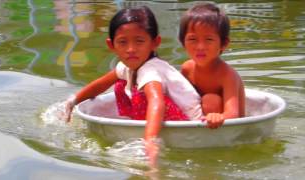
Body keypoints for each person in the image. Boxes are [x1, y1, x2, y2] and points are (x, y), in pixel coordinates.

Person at [62, 6, 202, 167]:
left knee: (140, 94)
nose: (131, 49)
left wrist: (150, 140)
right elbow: (101, 84)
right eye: (122, 42)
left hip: (189, 123)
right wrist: (73, 101)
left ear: (155, 43)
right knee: (121, 84)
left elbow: (157, 102)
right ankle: (141, 123)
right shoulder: (127, 66)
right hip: (170, 118)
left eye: (139, 41)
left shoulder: (150, 70)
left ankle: (149, 131)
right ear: (111, 45)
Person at [179, 2, 245, 129]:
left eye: (209, 39)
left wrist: (219, 116)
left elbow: (233, 114)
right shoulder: (187, 69)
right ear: (183, 42)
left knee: (211, 100)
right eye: (193, 39)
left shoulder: (227, 75)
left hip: (229, 129)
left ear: (223, 44)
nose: (200, 47)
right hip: (198, 125)